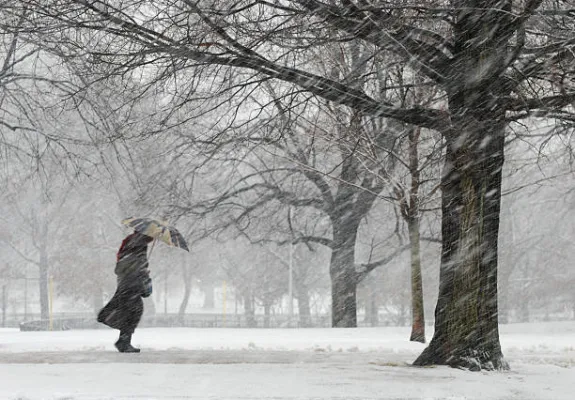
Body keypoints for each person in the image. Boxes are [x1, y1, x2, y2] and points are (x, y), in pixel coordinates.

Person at [97, 231, 154, 353]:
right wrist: (142, 270)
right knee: (133, 312)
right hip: (131, 285)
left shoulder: (131, 245)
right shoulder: (139, 246)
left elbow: (121, 267)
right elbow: (135, 266)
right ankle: (123, 341)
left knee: (130, 312)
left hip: (126, 284)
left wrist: (142, 268)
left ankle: (123, 341)